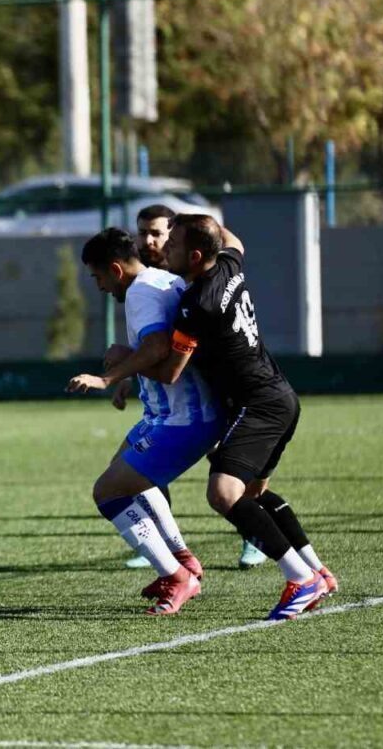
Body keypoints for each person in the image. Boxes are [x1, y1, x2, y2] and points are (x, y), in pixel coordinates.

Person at [158, 214, 337, 620]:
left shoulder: (196, 304)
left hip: (258, 404)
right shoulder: (228, 265)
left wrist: (120, 365)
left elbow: (171, 370)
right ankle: (317, 571)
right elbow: (231, 239)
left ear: (196, 254)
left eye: (174, 243)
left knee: (223, 493)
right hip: (280, 395)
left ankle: (300, 579)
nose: (165, 249)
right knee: (252, 495)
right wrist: (201, 220)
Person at [67, 229, 222, 615]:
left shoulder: (139, 292)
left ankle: (176, 576)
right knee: (124, 475)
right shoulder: (162, 279)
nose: (99, 286)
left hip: (182, 419)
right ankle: (182, 558)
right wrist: (129, 367)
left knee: (108, 493)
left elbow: (157, 348)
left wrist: (109, 376)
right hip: (168, 414)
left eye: (97, 277)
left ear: (115, 269)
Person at [118, 204, 268, 570]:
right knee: (139, 463)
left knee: (232, 471)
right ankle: (161, 545)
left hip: (223, 390)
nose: (149, 241)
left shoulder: (196, 281)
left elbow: (162, 351)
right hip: (178, 398)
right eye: (143, 233)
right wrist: (126, 376)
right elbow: (153, 340)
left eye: (158, 233)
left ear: (181, 238)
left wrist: (115, 371)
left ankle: (256, 535)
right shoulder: (149, 282)